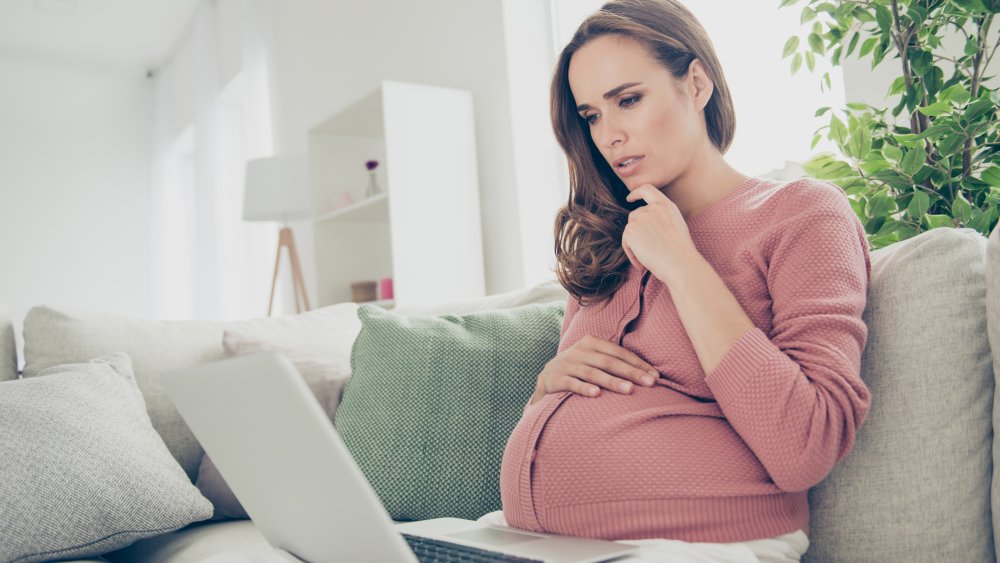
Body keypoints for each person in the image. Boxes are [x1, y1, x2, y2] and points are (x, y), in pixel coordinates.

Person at [479, 1, 873, 561]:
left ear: (696, 83)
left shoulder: (803, 213)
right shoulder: (604, 241)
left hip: (695, 544)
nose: (609, 135)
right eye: (591, 116)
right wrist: (547, 389)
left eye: (628, 100)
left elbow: (805, 445)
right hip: (533, 539)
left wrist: (683, 264)